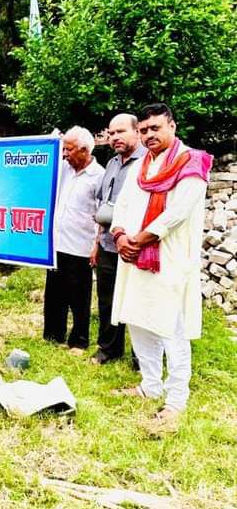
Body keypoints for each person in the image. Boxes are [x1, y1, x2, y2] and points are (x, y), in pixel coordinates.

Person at [110, 103, 212, 430]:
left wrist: (140, 238)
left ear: (172, 126)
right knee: (140, 322)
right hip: (136, 257)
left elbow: (179, 211)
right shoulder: (143, 166)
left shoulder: (191, 162)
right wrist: (121, 234)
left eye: (155, 128)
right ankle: (149, 385)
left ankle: (176, 399)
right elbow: (123, 204)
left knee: (172, 330)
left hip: (170, 261)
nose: (149, 135)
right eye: (144, 130)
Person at [89, 114, 146, 366]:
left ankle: (142, 357)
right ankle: (109, 350)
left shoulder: (148, 162)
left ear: (137, 132)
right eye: (111, 134)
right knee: (108, 300)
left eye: (120, 132)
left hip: (137, 246)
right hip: (108, 245)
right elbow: (103, 204)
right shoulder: (111, 163)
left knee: (139, 301)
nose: (114, 138)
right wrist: (96, 243)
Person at [43, 126, 104, 353]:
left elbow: (102, 214)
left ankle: (79, 341)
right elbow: (47, 154)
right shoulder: (65, 170)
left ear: (84, 150)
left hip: (81, 246)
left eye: (69, 150)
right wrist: (55, 140)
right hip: (58, 243)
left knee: (79, 297)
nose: (65, 154)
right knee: (54, 292)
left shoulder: (99, 176)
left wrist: (96, 246)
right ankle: (53, 335)